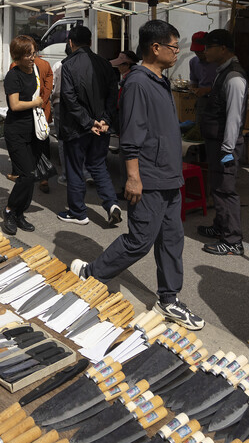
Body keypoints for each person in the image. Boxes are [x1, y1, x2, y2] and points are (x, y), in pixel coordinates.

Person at [70, 20, 204, 331]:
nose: (177, 51)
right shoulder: (137, 83)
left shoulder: (160, 80)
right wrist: (133, 176)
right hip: (150, 177)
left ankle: (168, 299)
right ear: (155, 48)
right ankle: (93, 273)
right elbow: (131, 135)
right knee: (140, 240)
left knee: (173, 240)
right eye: (173, 46)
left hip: (170, 178)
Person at [57, 24, 122, 226]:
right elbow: (113, 95)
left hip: (77, 127)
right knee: (98, 165)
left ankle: (78, 212)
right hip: (101, 125)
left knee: (75, 168)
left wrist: (88, 122)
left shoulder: (68, 65)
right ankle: (111, 203)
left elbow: (69, 98)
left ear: (70, 43)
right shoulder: (105, 64)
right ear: (91, 41)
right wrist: (104, 120)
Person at [195, 29, 249, 256]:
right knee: (217, 187)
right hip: (216, 141)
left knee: (225, 190)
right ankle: (220, 226)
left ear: (223, 49)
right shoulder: (223, 72)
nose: (205, 52)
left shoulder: (234, 77)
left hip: (225, 144)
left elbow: (234, 118)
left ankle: (233, 240)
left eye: (209, 47)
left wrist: (228, 149)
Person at [1, 34, 42, 235]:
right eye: (27, 54)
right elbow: (15, 105)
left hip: (32, 131)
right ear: (18, 56)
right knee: (26, 175)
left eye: (33, 53)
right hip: (15, 131)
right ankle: (9, 210)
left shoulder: (34, 71)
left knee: (31, 176)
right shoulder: (13, 75)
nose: (32, 57)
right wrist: (35, 103)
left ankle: (19, 213)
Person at [33, 44, 56, 193]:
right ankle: (44, 177)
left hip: (26, 111)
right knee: (43, 142)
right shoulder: (45, 64)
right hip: (42, 111)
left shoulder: (16, 64)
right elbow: (49, 89)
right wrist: (42, 101)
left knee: (29, 144)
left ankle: (29, 173)